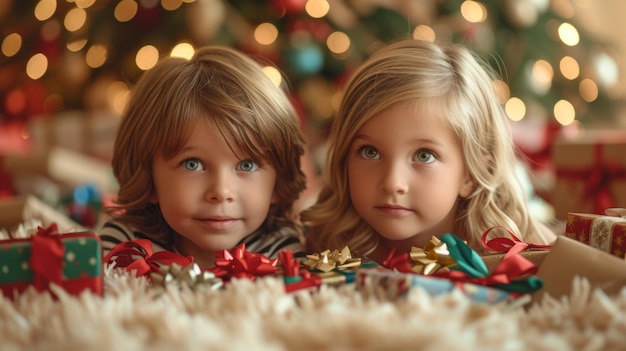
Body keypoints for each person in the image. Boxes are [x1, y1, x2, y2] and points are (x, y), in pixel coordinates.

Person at [301, 38, 557, 264]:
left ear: (470, 174)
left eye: (424, 155)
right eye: (370, 152)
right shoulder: (330, 241)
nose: (392, 183)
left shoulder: (512, 242)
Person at [98, 45, 308, 268]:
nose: (220, 192)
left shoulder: (281, 251)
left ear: (278, 180)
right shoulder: (127, 246)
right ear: (147, 176)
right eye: (193, 164)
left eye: (246, 165)